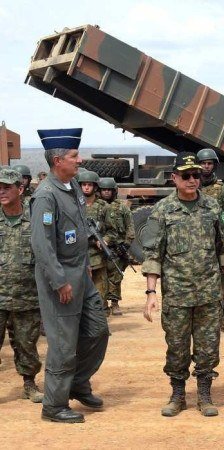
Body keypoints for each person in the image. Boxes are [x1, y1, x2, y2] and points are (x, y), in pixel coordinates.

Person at [142, 152, 224, 418]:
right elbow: (153, 255)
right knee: (177, 347)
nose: (192, 179)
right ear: (174, 178)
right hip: (177, 293)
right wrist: (151, 292)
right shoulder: (163, 210)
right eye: (186, 175)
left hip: (209, 291)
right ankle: (178, 395)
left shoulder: (212, 207)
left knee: (208, 346)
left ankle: (205, 394)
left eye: (196, 175)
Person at [31, 128, 109, 423]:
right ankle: (53, 405)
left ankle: (77, 382)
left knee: (98, 330)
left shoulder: (73, 186)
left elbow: (79, 231)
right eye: (75, 156)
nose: (80, 160)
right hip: (60, 280)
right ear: (58, 161)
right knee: (63, 344)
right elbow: (42, 245)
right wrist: (59, 280)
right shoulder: (45, 196)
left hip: (81, 275)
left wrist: (85, 263)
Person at [0, 168, 43, 403]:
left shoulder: (35, 218)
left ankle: (29, 384)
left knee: (27, 343)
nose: (2, 192)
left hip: (27, 296)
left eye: (7, 187)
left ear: (21, 189)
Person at [196, 148, 224, 336]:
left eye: (209, 163)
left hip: (217, 242)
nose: (206, 166)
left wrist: (218, 229)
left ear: (214, 166)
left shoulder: (222, 190)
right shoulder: (191, 185)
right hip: (195, 244)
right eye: (203, 163)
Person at [99, 177, 135, 316]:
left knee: (115, 277)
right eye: (104, 190)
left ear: (114, 191)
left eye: (109, 190)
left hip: (117, 248)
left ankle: (114, 303)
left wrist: (126, 245)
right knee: (101, 277)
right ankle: (102, 305)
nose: (106, 192)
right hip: (99, 247)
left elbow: (130, 227)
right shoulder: (97, 206)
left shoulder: (122, 207)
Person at [78, 170, 111, 309]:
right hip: (79, 258)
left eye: (89, 185)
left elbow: (112, 230)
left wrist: (105, 240)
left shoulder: (104, 207)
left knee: (100, 297)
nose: (86, 187)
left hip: (98, 258)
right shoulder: (75, 205)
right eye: (84, 185)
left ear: (95, 187)